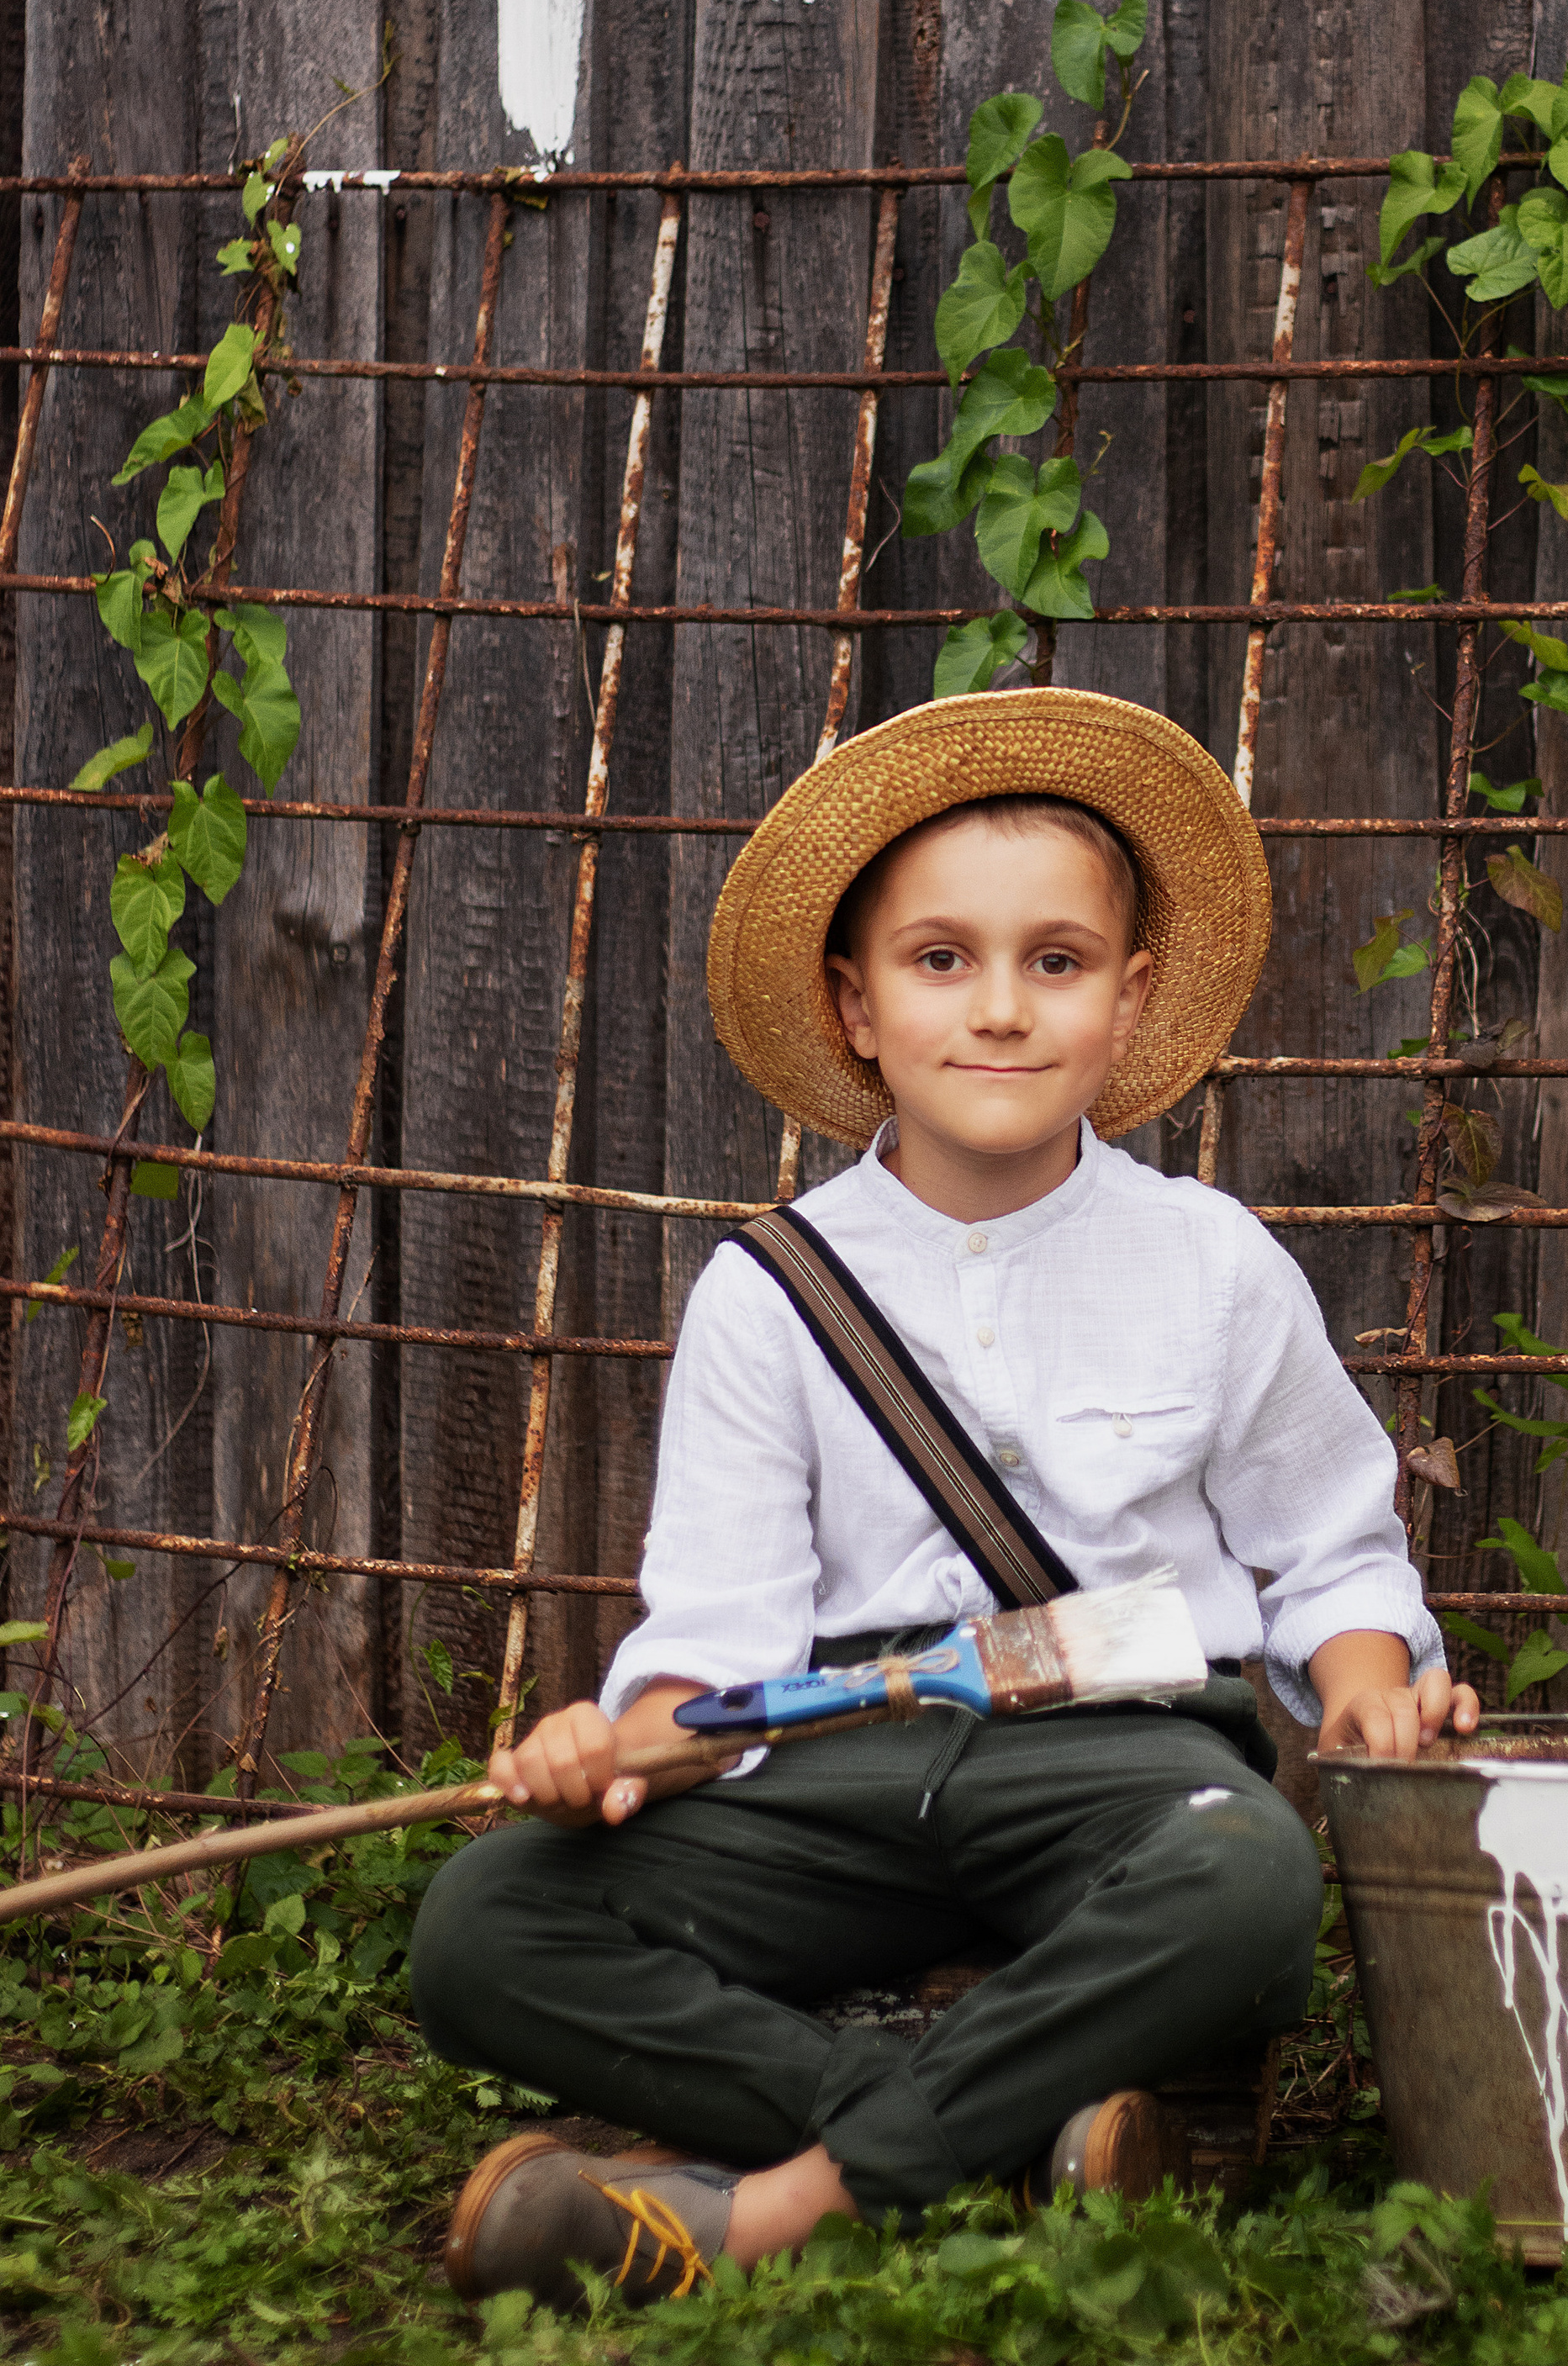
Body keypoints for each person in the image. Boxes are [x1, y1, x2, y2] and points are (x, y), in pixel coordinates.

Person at [410, 687, 1480, 2308]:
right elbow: (720, 1626)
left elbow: (1327, 1545)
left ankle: (767, 2213)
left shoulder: (1210, 1265)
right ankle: (1005, 2138)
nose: (998, 1009)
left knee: (1250, 1883)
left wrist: (1364, 1692)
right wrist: (616, 1744)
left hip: (1120, 1762)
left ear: (1127, 1001)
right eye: (940, 961)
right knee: (486, 1928)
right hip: (843, 1761)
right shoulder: (770, 1292)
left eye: (1053, 963)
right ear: (855, 1005)